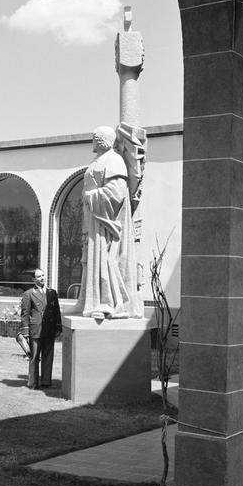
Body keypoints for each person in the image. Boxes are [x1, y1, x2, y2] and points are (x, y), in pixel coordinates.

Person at [74, 126, 142, 319]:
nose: (92, 142)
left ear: (102, 140)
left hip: (106, 223)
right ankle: (86, 301)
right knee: (87, 260)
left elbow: (116, 192)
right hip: (93, 218)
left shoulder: (114, 160)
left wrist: (91, 196)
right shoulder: (98, 160)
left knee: (105, 260)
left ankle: (109, 302)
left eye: (95, 138)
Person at [20, 268, 62, 389]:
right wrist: (25, 330)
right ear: (34, 279)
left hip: (49, 329)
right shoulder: (28, 294)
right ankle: (33, 382)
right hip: (36, 329)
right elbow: (25, 314)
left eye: (43, 275)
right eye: (39, 276)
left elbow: (56, 311)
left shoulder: (52, 293)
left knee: (48, 356)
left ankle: (46, 382)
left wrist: (58, 327)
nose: (42, 278)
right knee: (34, 356)